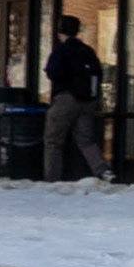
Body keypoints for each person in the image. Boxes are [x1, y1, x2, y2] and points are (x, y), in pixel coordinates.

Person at [43, 15, 106, 181]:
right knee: (86, 140)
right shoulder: (87, 51)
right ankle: (103, 171)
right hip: (87, 101)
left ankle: (52, 178)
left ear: (60, 31)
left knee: (53, 141)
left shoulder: (61, 50)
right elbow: (99, 74)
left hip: (66, 99)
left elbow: (52, 72)